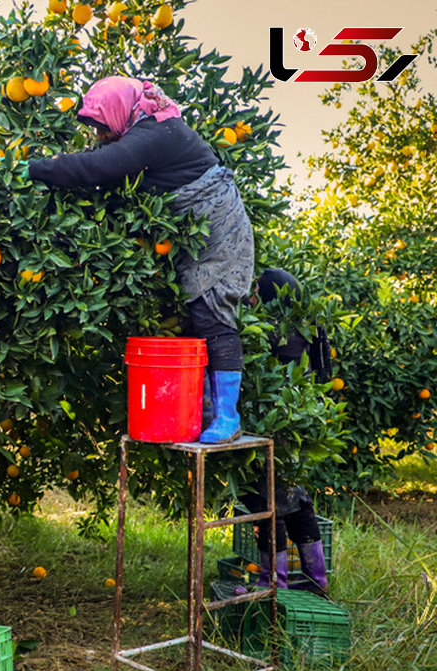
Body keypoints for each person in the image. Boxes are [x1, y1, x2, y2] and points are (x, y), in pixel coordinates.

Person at [25, 76, 254, 443]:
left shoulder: (157, 132)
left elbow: (98, 167)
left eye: (101, 126)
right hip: (194, 231)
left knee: (212, 311)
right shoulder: (148, 128)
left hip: (218, 228)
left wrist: (36, 169)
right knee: (193, 315)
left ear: (119, 110)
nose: (99, 135)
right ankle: (208, 409)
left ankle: (228, 416)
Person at [238, 268, 331, 595]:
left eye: (256, 292)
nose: (251, 297)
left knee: (266, 500)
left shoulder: (274, 331)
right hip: (296, 424)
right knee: (296, 498)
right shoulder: (302, 326)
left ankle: (271, 583)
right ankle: (317, 580)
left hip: (272, 424)